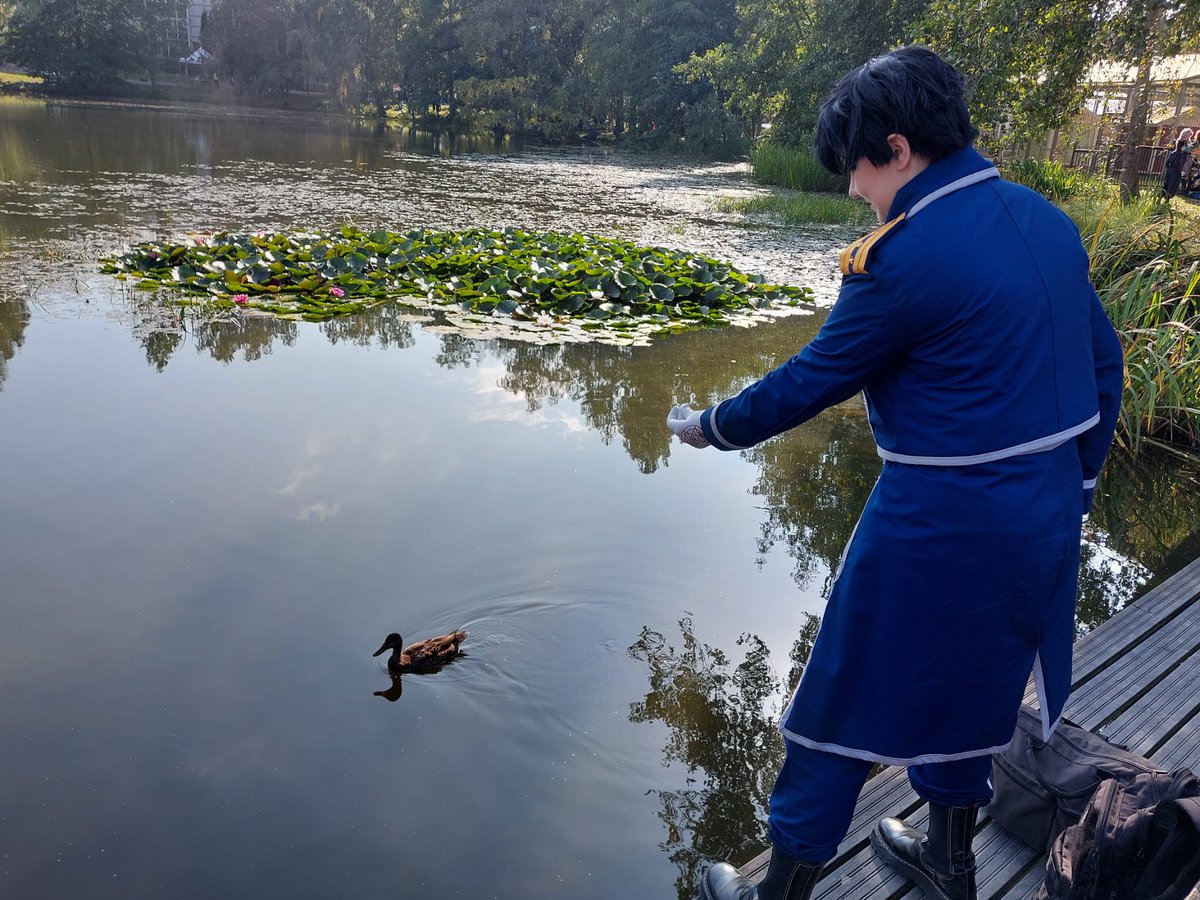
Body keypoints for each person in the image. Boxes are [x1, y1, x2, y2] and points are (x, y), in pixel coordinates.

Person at [666, 46, 1124, 900]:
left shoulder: (902, 260)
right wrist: (1079, 488)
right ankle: (951, 863)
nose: (853, 189)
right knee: (976, 684)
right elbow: (1105, 365)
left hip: (938, 522)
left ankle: (779, 891)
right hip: (1046, 515)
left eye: (857, 167)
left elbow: (810, 379)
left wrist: (712, 427)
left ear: (900, 149)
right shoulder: (1046, 221)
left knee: (839, 699)